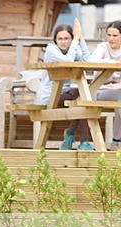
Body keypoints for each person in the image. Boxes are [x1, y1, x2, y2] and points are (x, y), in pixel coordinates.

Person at [42, 20, 93, 150]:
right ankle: (81, 140)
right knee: (82, 98)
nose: (63, 42)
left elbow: (88, 64)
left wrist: (81, 39)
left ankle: (73, 137)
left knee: (82, 99)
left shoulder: (72, 50)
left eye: (67, 38)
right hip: (50, 97)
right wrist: (75, 39)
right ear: (55, 40)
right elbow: (68, 61)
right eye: (60, 39)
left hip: (65, 96)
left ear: (71, 39)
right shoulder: (51, 50)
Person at [91, 20, 121, 151]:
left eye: (115, 35)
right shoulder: (103, 47)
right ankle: (116, 141)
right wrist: (114, 62)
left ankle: (116, 142)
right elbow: (92, 61)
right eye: (109, 35)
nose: (111, 39)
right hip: (100, 88)